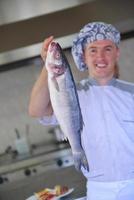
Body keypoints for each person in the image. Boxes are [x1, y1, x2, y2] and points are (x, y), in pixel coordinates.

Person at [29, 22, 134, 200]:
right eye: (93, 50)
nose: (100, 56)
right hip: (100, 191)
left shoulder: (131, 92)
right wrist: (48, 64)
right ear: (83, 55)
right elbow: (36, 110)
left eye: (107, 49)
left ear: (117, 52)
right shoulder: (70, 94)